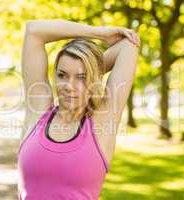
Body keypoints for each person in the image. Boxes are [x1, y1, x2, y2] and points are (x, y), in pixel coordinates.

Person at [17, 19, 140, 200]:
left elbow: (129, 45)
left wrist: (91, 72)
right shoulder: (38, 112)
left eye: (80, 77)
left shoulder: (102, 122)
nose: (69, 86)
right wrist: (99, 33)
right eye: (62, 75)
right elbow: (34, 31)